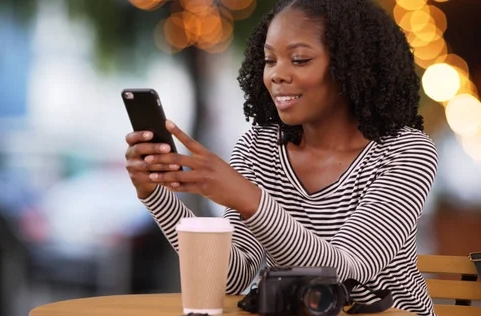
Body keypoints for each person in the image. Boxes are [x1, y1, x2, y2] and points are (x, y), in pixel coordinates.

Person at [124, 0, 438, 314]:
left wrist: (249, 199)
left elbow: (344, 269)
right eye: (269, 60)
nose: (276, 74)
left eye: (299, 59)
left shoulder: (407, 153)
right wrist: (155, 195)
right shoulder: (258, 148)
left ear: (352, 65)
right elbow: (231, 278)